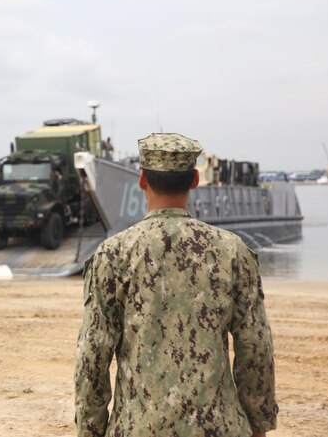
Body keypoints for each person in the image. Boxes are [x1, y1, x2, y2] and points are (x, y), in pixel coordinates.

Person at [74, 133, 277, 437]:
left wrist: (90, 430)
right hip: (220, 427)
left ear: (142, 180)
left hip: (138, 428)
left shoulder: (113, 254)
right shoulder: (231, 251)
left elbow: (92, 353)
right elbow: (255, 346)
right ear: (195, 180)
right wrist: (258, 424)